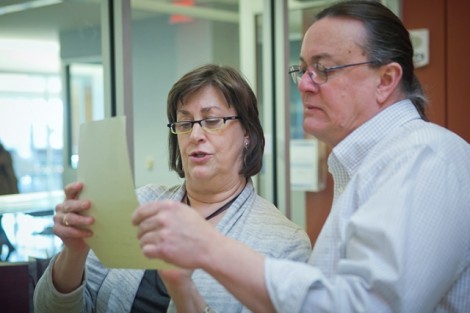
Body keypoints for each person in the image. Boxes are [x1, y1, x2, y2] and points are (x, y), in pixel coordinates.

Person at [131, 1, 470, 312]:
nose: (304, 85)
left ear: (386, 80)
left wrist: (208, 247)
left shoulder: (424, 157)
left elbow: (368, 306)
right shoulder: (365, 167)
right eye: (303, 69)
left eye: (323, 70)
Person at [33, 64, 312, 313]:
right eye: (185, 122)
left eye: (212, 121)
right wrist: (75, 251)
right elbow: (49, 309)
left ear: (248, 135)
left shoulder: (284, 243)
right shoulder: (141, 204)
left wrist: (183, 290)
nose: (196, 135)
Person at [0, 142, 18, 261]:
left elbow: (11, 178)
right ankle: (7, 244)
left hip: (4, 195)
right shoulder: (5, 156)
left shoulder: (4, 157)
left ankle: (6, 244)